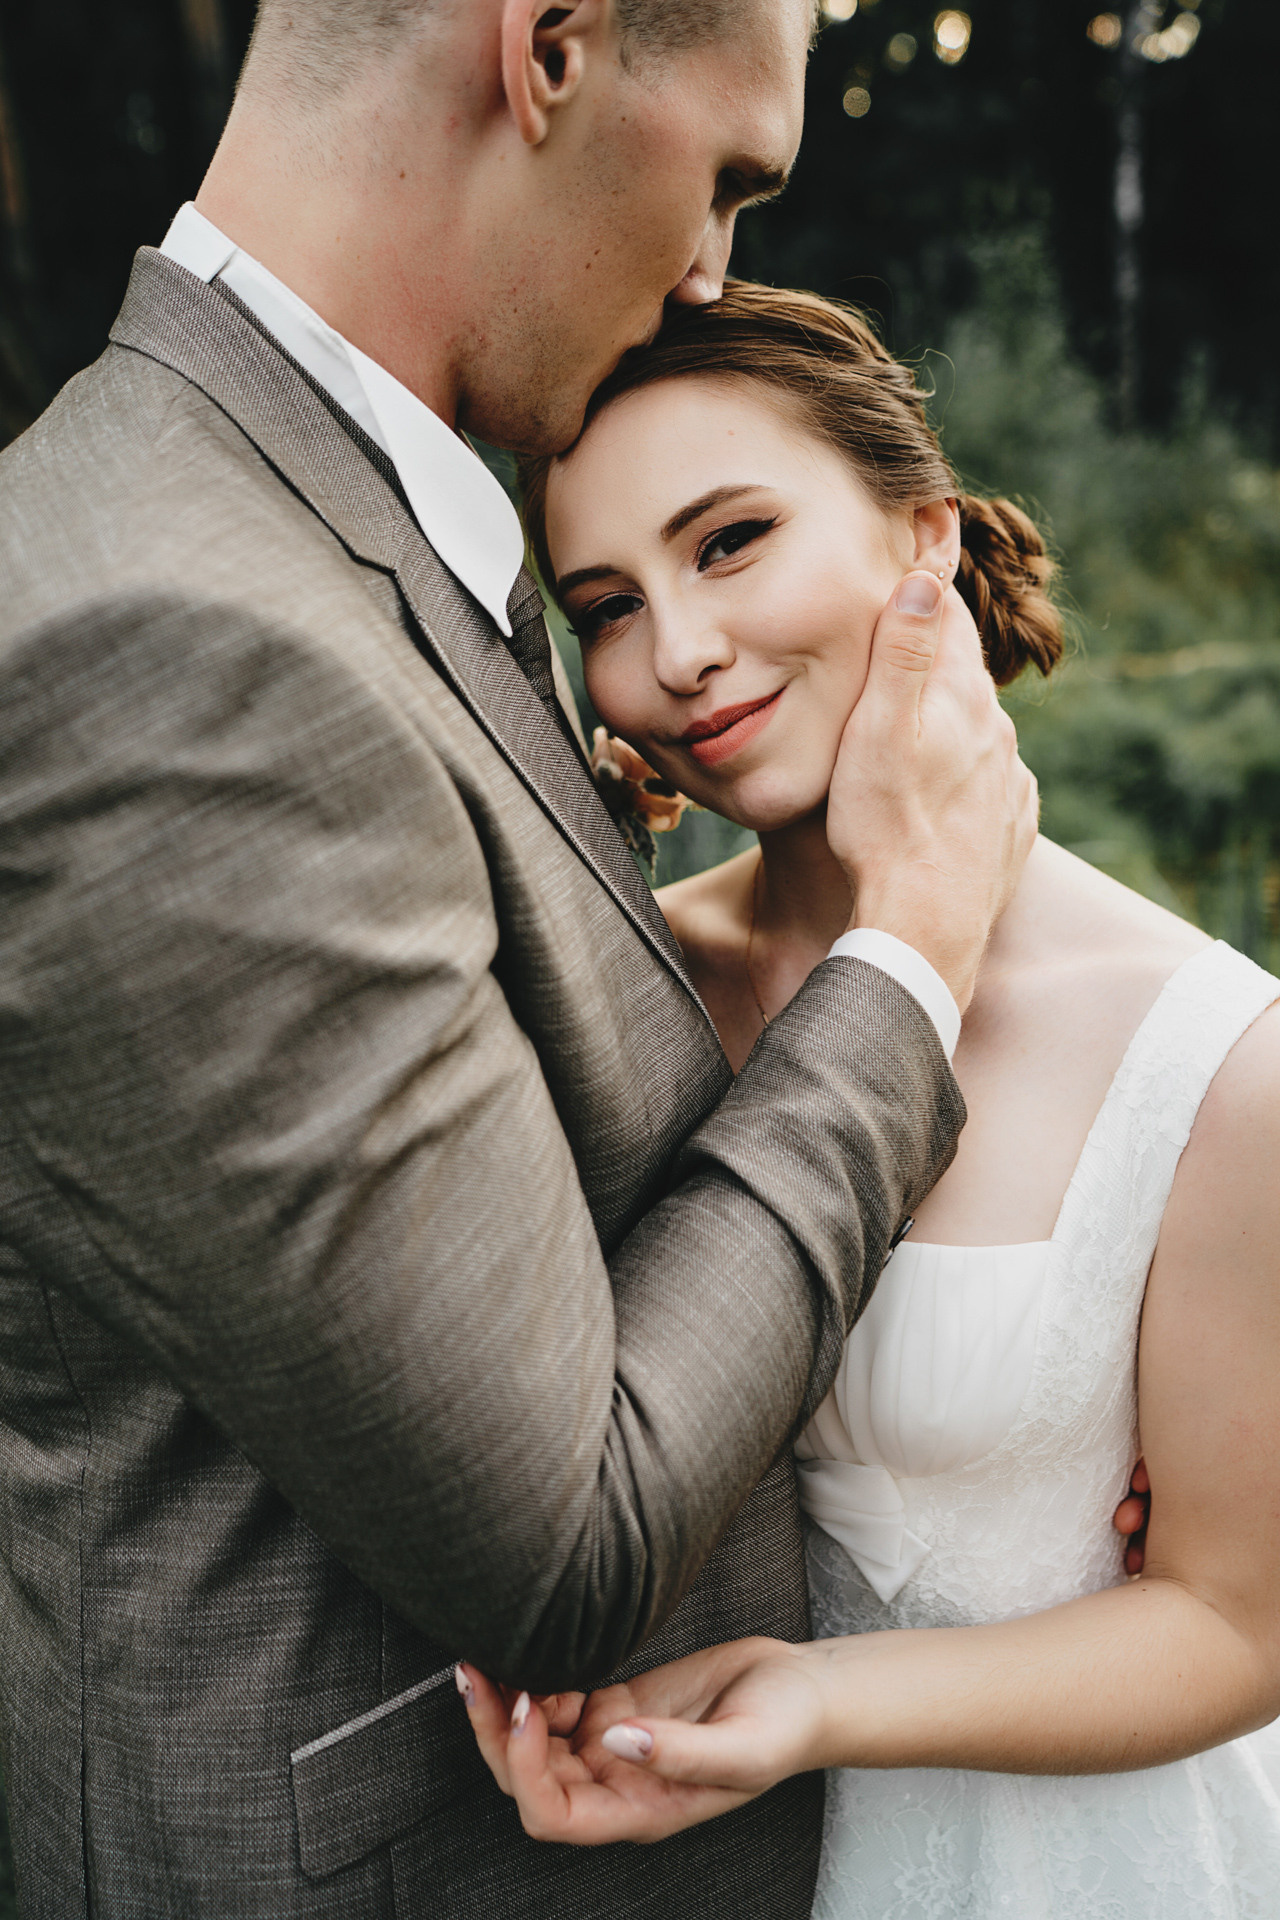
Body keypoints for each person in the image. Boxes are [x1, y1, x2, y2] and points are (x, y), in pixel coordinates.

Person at [0, 6, 1049, 1917]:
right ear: (550, 48)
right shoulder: (168, 631)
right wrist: (911, 946)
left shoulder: (327, 521)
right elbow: (567, 1537)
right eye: (730, 175)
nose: (716, 269)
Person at [462, 283, 1280, 1917]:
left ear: (922, 538)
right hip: (691, 1863)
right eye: (606, 605)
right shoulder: (616, 999)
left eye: (732, 540)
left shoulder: (1215, 1057)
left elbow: (1239, 1624)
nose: (677, 654)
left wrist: (819, 1703)